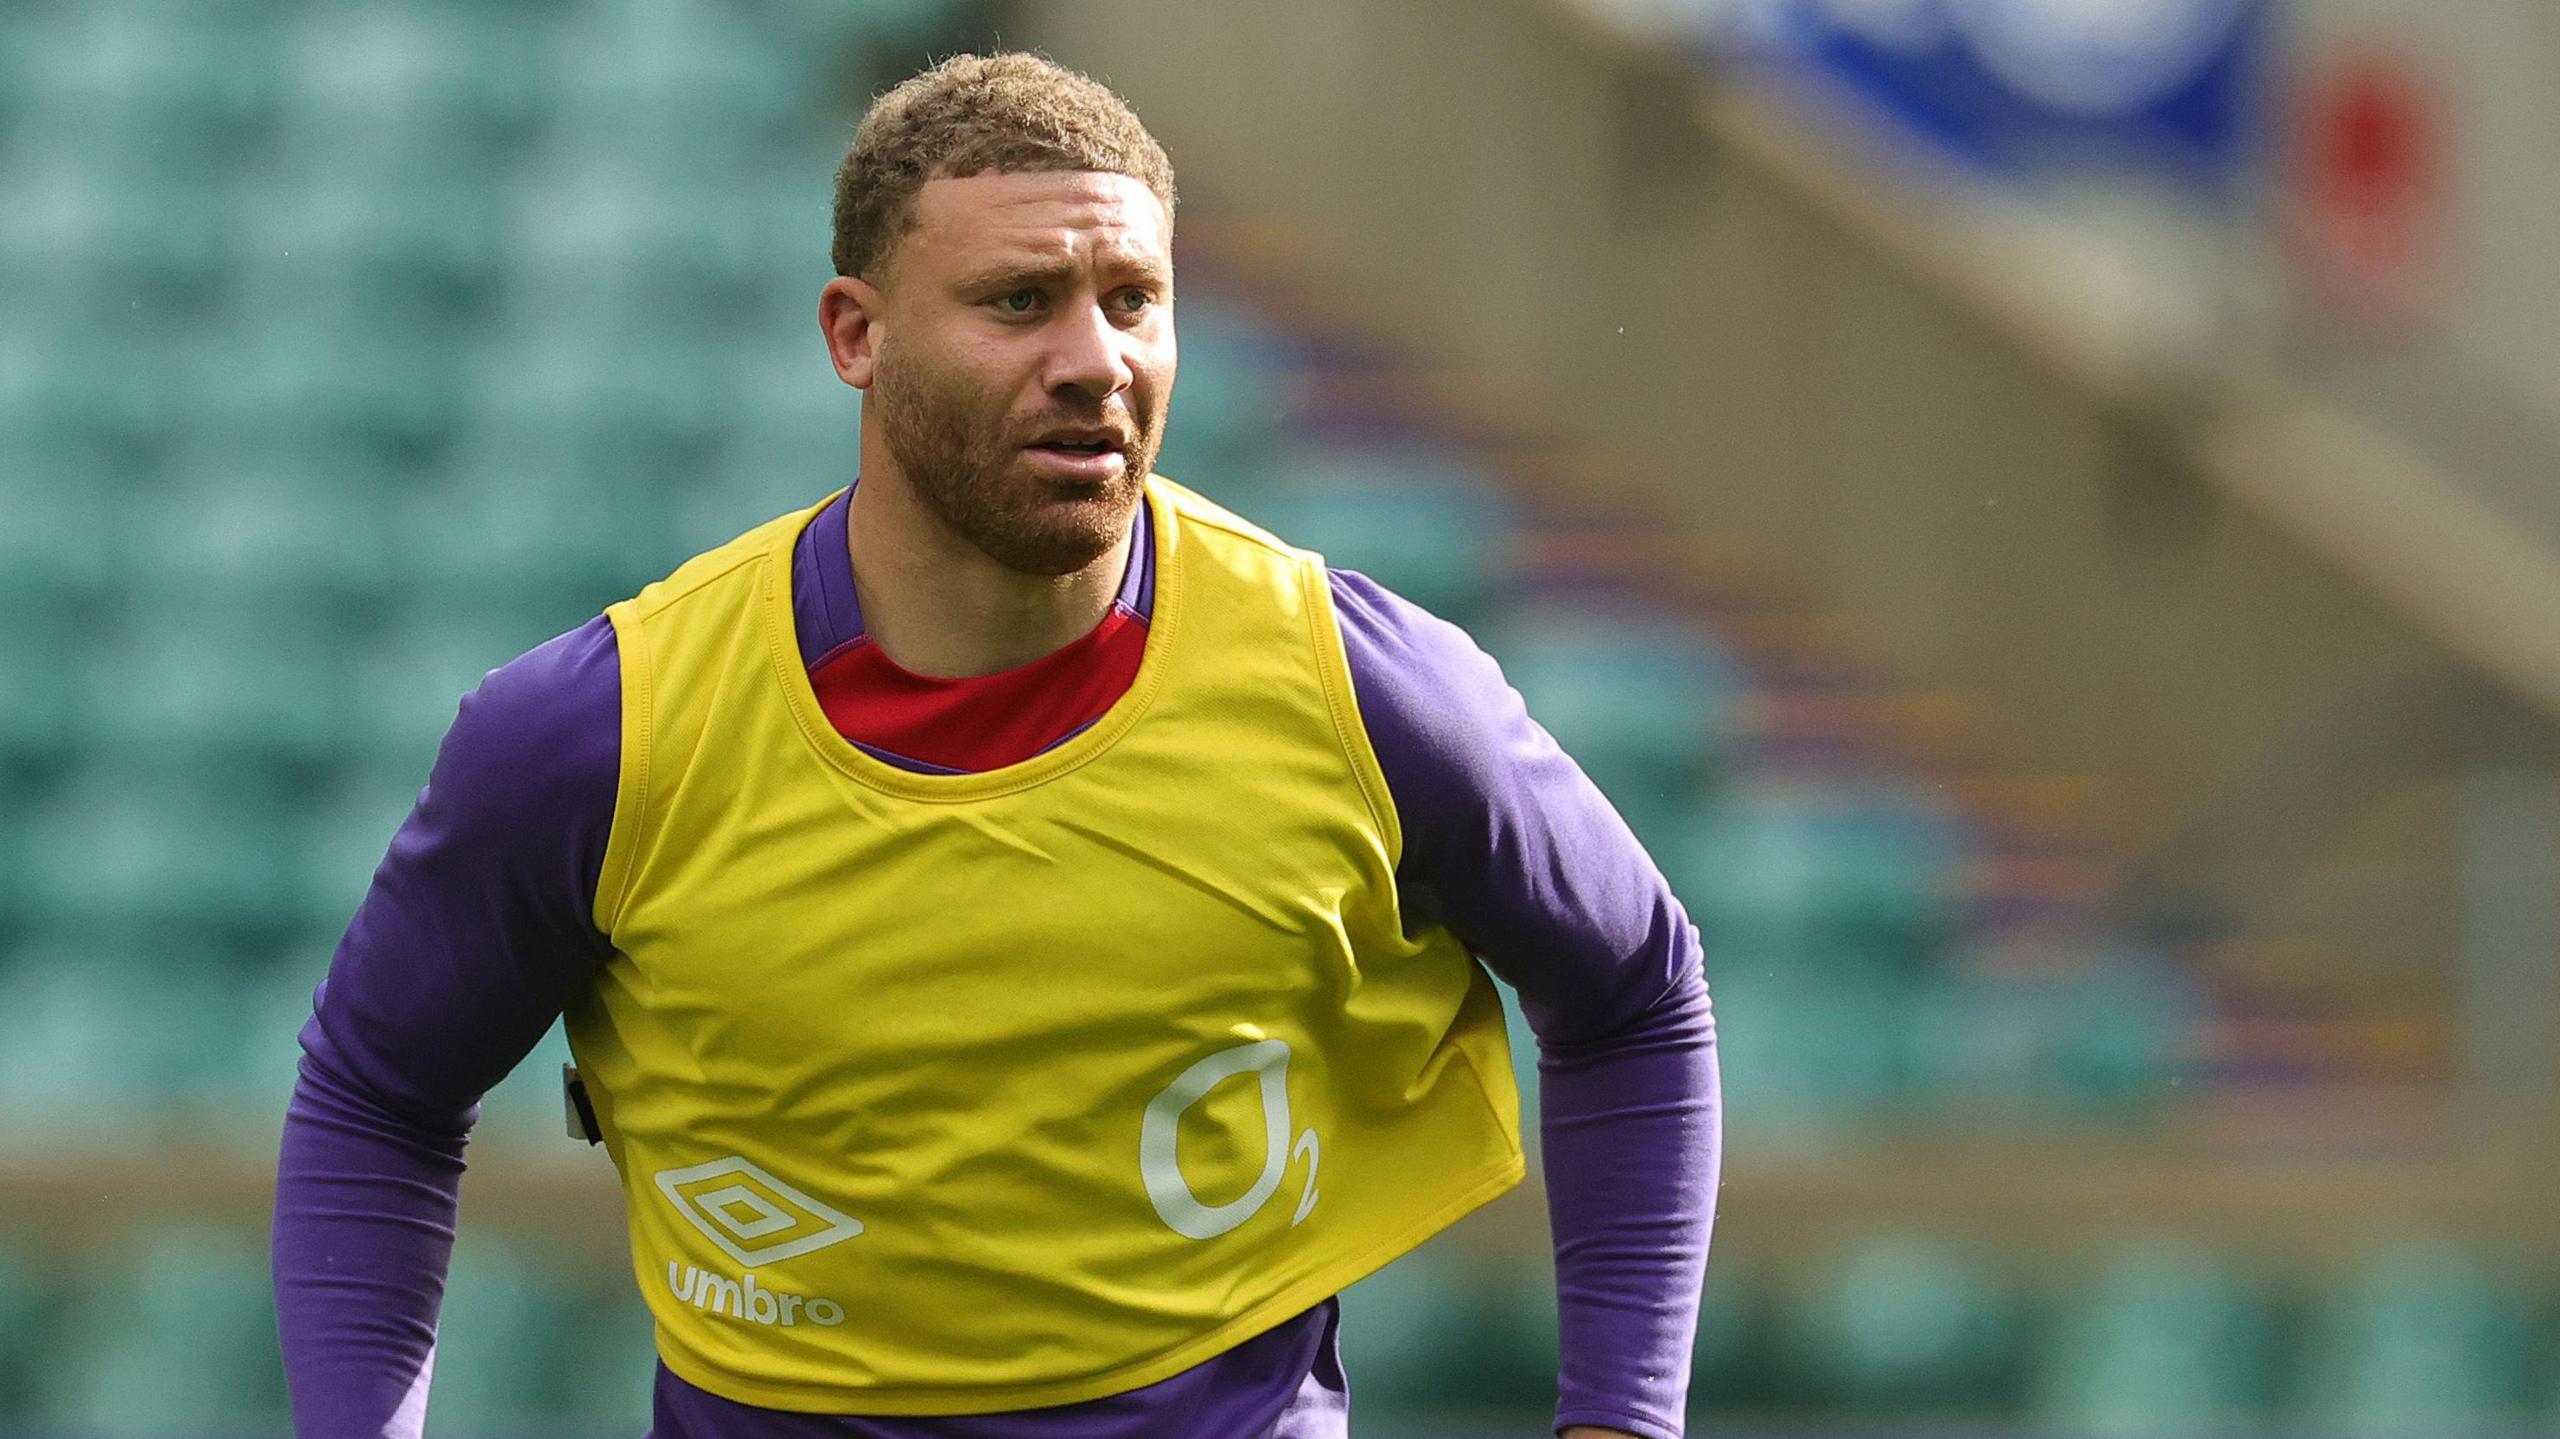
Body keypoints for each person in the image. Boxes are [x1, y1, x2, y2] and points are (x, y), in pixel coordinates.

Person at [272, 52, 1719, 1439]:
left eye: (1134, 300)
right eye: (1022, 301)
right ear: (856, 332)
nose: (1096, 360)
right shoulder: (603, 732)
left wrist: (1623, 1421)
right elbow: (378, 1093)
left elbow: (1639, 992)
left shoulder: (1364, 689)